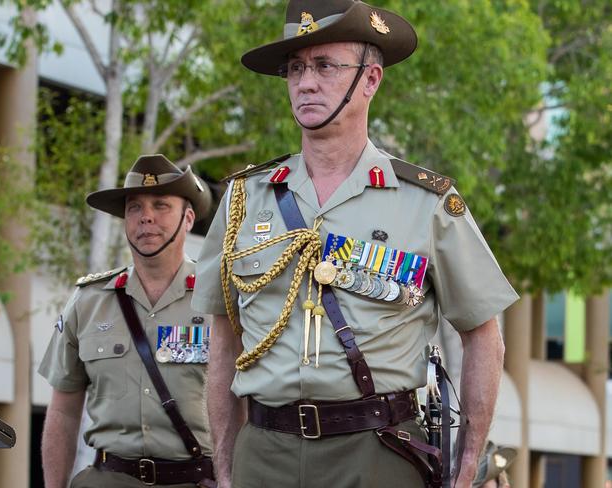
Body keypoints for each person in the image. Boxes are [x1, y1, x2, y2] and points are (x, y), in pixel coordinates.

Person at [192, 1, 519, 487]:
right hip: (264, 455)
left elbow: (482, 334)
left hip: (378, 454)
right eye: (296, 69)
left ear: (370, 80)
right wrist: (224, 469)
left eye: (325, 66)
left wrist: (466, 465)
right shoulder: (244, 198)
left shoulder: (425, 201)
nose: (306, 82)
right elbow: (223, 338)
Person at [39, 154, 214, 488]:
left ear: (188, 218)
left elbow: (247, 402)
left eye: (161, 205)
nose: (145, 218)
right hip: (109, 479)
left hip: (196, 480)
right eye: (135, 208)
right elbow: (63, 410)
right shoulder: (88, 301)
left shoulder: (218, 300)